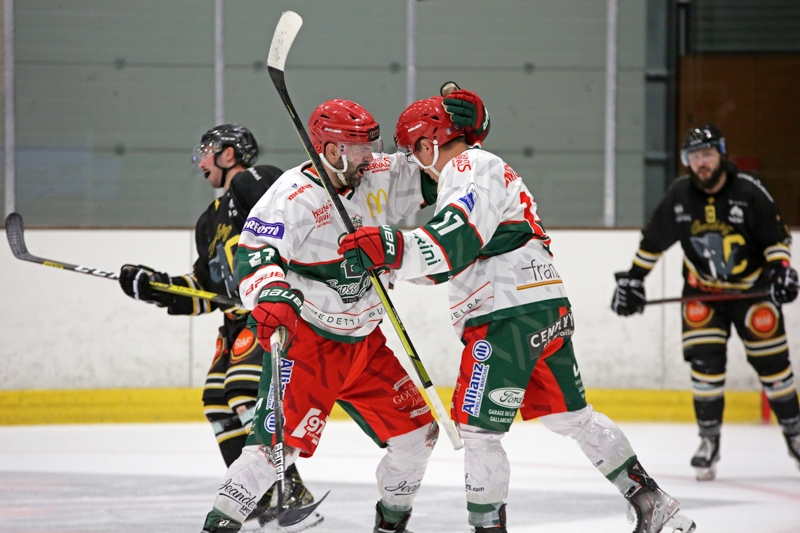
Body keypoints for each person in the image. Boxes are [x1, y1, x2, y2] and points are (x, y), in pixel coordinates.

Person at [338, 96, 696, 533]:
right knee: (572, 417)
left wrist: (391, 246)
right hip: (541, 305)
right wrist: (389, 260)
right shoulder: (485, 171)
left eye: (414, 149)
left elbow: (456, 239)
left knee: (479, 433)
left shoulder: (467, 167)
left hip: (506, 313)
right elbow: (451, 258)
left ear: (431, 143)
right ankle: (651, 501)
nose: (415, 162)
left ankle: (488, 528)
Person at [200, 89, 489, 533]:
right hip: (311, 344)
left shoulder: (379, 173)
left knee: (418, 437)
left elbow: (442, 169)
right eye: (358, 149)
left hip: (367, 345)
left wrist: (468, 131)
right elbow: (256, 254)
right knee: (273, 449)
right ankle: (219, 525)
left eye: (371, 146)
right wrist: (271, 296)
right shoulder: (292, 195)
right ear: (331, 150)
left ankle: (390, 524)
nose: (369, 156)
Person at [118, 124, 319, 530]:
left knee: (241, 389)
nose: (202, 160)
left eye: (208, 150)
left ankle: (289, 485)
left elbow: (297, 221)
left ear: (230, 154)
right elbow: (205, 291)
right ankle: (257, 495)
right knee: (214, 398)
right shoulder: (206, 222)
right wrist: (155, 287)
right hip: (234, 320)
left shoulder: (255, 180)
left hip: (270, 307)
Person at [611, 124, 800, 481]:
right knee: (705, 368)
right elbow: (653, 242)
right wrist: (634, 279)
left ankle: (795, 435)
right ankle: (708, 441)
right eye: (694, 157)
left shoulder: (749, 190)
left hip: (751, 292)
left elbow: (776, 237)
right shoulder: (680, 194)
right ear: (687, 161)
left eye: (708, 155)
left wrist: (782, 271)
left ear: (722, 155)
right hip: (703, 293)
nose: (701, 163)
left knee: (774, 367)